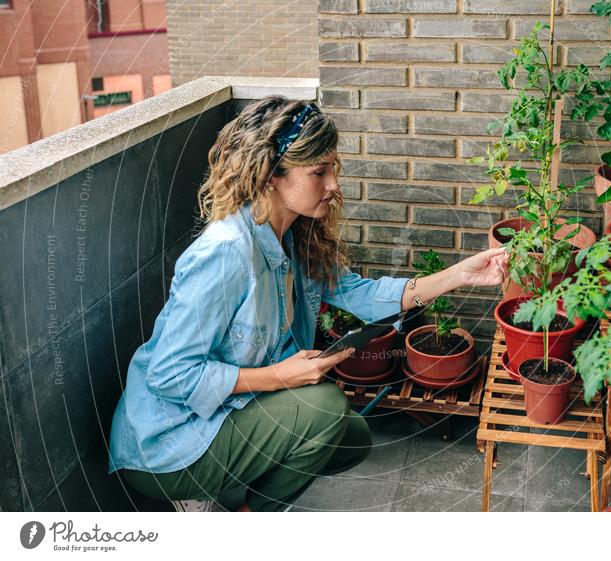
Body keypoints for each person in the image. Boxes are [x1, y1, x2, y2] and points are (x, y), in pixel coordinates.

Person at [107, 95, 510, 512]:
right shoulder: (225, 254)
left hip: (229, 410)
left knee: (349, 439)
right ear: (269, 177)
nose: (333, 184)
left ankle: (234, 493)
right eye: (319, 171)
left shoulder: (295, 238)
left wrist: (458, 275)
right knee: (325, 410)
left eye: (333, 168)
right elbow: (170, 375)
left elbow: (361, 295)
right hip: (169, 443)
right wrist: (280, 377)